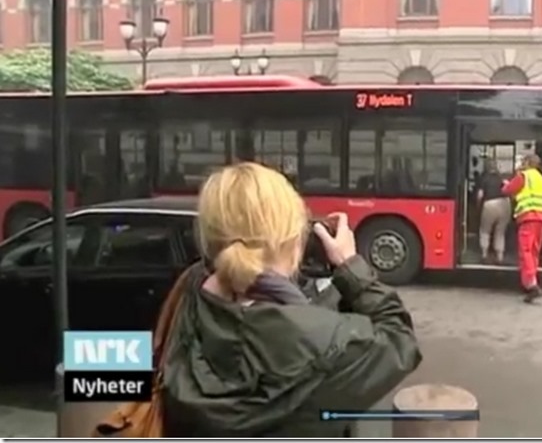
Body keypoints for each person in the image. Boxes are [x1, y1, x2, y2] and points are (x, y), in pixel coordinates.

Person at [161, 162, 422, 437]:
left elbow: (260, 331)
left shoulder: (188, 301)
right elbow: (399, 338)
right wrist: (350, 266)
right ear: (291, 239)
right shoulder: (324, 343)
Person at [502, 154, 542, 303]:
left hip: (528, 217)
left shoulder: (524, 176)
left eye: (523, 162)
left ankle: (531, 285)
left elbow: (507, 190)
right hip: (541, 219)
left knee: (525, 251)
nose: (522, 164)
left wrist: (505, 183)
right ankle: (530, 282)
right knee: (534, 252)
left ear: (528, 163)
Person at [477, 159, 511, 263]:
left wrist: (479, 206)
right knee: (500, 232)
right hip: (505, 203)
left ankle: (484, 254)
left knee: (485, 230)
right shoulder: (502, 178)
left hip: (490, 204)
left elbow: (480, 195)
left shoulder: (484, 179)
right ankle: (499, 256)